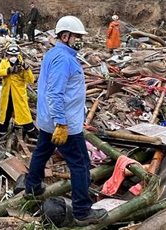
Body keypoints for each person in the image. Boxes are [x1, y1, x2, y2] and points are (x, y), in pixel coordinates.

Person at [24, 16, 107, 225]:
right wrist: (61, 122)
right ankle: (82, 211)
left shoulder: (55, 54)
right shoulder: (63, 59)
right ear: (65, 36)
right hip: (64, 125)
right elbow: (54, 93)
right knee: (81, 164)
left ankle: (32, 187)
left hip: (47, 120)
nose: (79, 40)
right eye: (77, 37)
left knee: (42, 152)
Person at [0, 43, 37, 138]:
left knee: (24, 114)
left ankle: (32, 133)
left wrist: (26, 69)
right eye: (11, 55)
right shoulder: (4, 63)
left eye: (15, 55)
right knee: (5, 114)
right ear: (7, 55)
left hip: (18, 95)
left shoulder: (22, 65)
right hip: (7, 95)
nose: (13, 57)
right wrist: (8, 70)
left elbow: (31, 80)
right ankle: (2, 133)